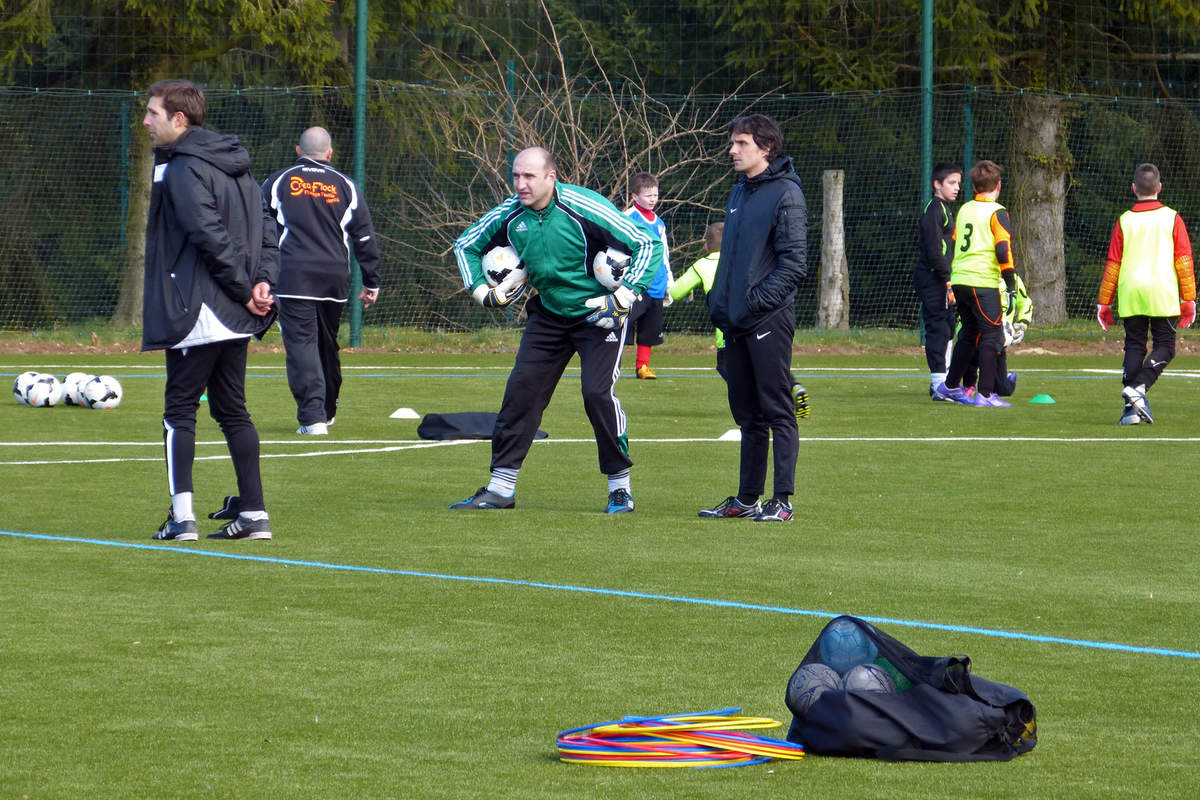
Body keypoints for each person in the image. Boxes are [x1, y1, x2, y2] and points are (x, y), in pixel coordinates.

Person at [449, 146, 663, 513]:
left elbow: (648, 243)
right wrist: (484, 294)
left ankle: (620, 488)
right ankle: (501, 488)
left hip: (600, 315)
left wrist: (625, 295)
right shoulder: (510, 213)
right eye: (516, 175)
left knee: (597, 395)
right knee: (521, 392)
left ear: (551, 177)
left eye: (529, 176)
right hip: (548, 314)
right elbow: (465, 244)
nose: (520, 184)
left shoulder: (584, 205)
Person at [141, 79, 279, 542]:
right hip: (232, 311)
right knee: (232, 410)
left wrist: (247, 289)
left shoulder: (183, 169)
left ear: (179, 119)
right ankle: (254, 516)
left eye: (153, 113)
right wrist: (263, 282)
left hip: (198, 309)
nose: (145, 121)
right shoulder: (237, 166)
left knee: (179, 410)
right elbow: (266, 231)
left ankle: (182, 519)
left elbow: (209, 237)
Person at [701, 114, 807, 523]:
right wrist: (721, 304)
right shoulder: (739, 191)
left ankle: (782, 502)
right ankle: (747, 500)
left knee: (778, 410)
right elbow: (731, 259)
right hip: (735, 323)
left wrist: (754, 303)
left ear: (765, 148)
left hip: (767, 321)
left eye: (741, 143)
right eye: (733, 142)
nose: (732, 150)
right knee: (747, 415)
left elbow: (794, 265)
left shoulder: (787, 194)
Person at [262, 126, 382, 435]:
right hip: (334, 280)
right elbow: (365, 237)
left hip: (293, 277)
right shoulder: (347, 186)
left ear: (298, 152)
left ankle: (313, 418)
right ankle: (326, 411)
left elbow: (259, 230)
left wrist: (260, 275)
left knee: (302, 344)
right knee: (327, 345)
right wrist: (372, 282)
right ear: (329, 154)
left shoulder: (278, 182)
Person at [672, 222, 809, 419]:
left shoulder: (701, 265)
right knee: (765, 362)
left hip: (726, 331)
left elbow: (676, 292)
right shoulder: (743, 259)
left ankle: (757, 404)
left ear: (705, 247)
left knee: (729, 367)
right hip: (755, 323)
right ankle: (793, 386)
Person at [1096, 163, 1196, 424]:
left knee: (1134, 346)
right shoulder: (1172, 218)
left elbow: (1113, 264)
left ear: (1133, 189)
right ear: (1159, 188)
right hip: (1161, 291)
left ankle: (1130, 412)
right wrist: (1189, 298)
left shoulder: (1124, 220)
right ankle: (1138, 388)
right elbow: (1184, 261)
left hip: (1131, 291)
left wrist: (1103, 302)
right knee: (1166, 347)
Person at [933, 160, 1018, 408]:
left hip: (960, 279)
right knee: (992, 335)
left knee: (969, 334)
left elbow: (956, 241)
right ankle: (987, 393)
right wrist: (1010, 283)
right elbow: (1003, 249)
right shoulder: (997, 212)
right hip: (982, 281)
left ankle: (949, 386)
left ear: (973, 186)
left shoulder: (965, 210)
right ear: (999, 185)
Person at [914, 163, 962, 400]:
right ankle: (938, 384)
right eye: (952, 183)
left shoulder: (944, 209)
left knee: (949, 326)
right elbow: (934, 250)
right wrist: (947, 278)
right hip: (933, 278)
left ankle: (946, 381)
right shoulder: (934, 210)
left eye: (958, 183)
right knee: (938, 328)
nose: (957, 188)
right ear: (937, 184)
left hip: (941, 277)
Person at [623, 172, 672, 379]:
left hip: (657, 284)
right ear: (635, 196)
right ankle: (608, 361)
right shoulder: (627, 218)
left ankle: (642, 367)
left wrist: (668, 280)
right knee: (622, 324)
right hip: (635, 283)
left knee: (649, 329)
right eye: (648, 195)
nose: (653, 199)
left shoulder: (660, 223)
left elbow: (664, 253)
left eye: (655, 195)